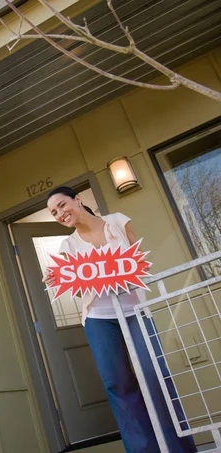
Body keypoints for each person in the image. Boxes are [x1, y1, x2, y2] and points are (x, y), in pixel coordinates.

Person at [43, 186, 196, 453]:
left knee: (154, 375)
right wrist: (61, 279)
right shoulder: (68, 246)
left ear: (77, 200)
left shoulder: (117, 222)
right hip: (100, 318)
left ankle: (179, 448)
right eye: (54, 212)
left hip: (135, 311)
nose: (59, 213)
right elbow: (80, 291)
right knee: (118, 384)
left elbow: (140, 264)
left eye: (62, 205)